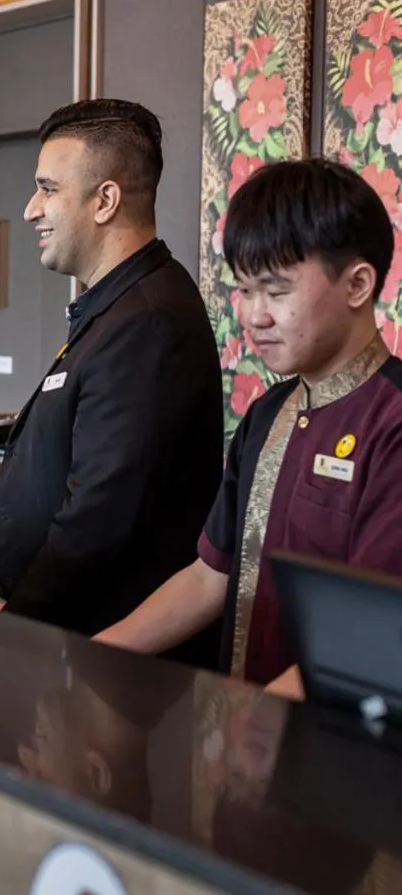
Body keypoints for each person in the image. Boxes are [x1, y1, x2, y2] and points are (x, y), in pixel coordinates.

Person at [95, 158, 402, 700]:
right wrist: (95, 653)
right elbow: (209, 576)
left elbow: (372, 635)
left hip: (335, 738)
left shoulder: (392, 421)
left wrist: (254, 723)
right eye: (245, 290)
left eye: (276, 292)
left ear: (357, 284)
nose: (254, 315)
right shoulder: (268, 412)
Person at [0, 99, 223, 664]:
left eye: (47, 189)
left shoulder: (147, 320)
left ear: (106, 201)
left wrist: (18, 618)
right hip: (70, 638)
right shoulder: (116, 307)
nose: (30, 210)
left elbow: (100, 515)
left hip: (111, 660)